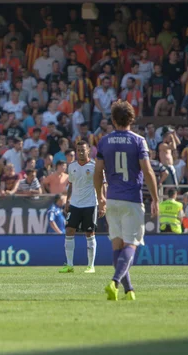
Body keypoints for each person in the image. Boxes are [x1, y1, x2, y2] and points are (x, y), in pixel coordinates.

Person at [94, 100, 159, 301]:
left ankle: (129, 290)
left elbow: (97, 173)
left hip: (112, 198)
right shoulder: (139, 141)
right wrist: (156, 198)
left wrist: (100, 197)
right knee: (131, 245)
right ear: (132, 118)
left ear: (113, 120)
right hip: (131, 199)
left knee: (117, 245)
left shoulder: (104, 141)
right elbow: (147, 171)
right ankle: (114, 281)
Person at [56, 140, 98, 274]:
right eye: (78, 150)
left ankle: (91, 266)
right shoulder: (72, 166)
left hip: (90, 204)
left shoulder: (94, 166)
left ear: (88, 151)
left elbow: (102, 184)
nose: (80, 152)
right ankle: (69, 265)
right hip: (75, 204)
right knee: (69, 231)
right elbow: (71, 185)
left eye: (83, 150)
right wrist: (68, 200)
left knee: (89, 233)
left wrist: (102, 202)